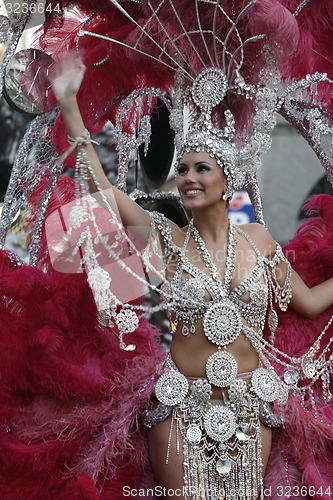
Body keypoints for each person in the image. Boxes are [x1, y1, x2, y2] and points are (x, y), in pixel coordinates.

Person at [49, 51, 333, 499]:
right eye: (182, 169)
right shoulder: (165, 237)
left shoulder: (260, 241)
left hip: (250, 409)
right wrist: (69, 105)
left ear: (228, 179)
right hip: (180, 408)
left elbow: (312, 302)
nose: (188, 178)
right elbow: (101, 192)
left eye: (202, 168)